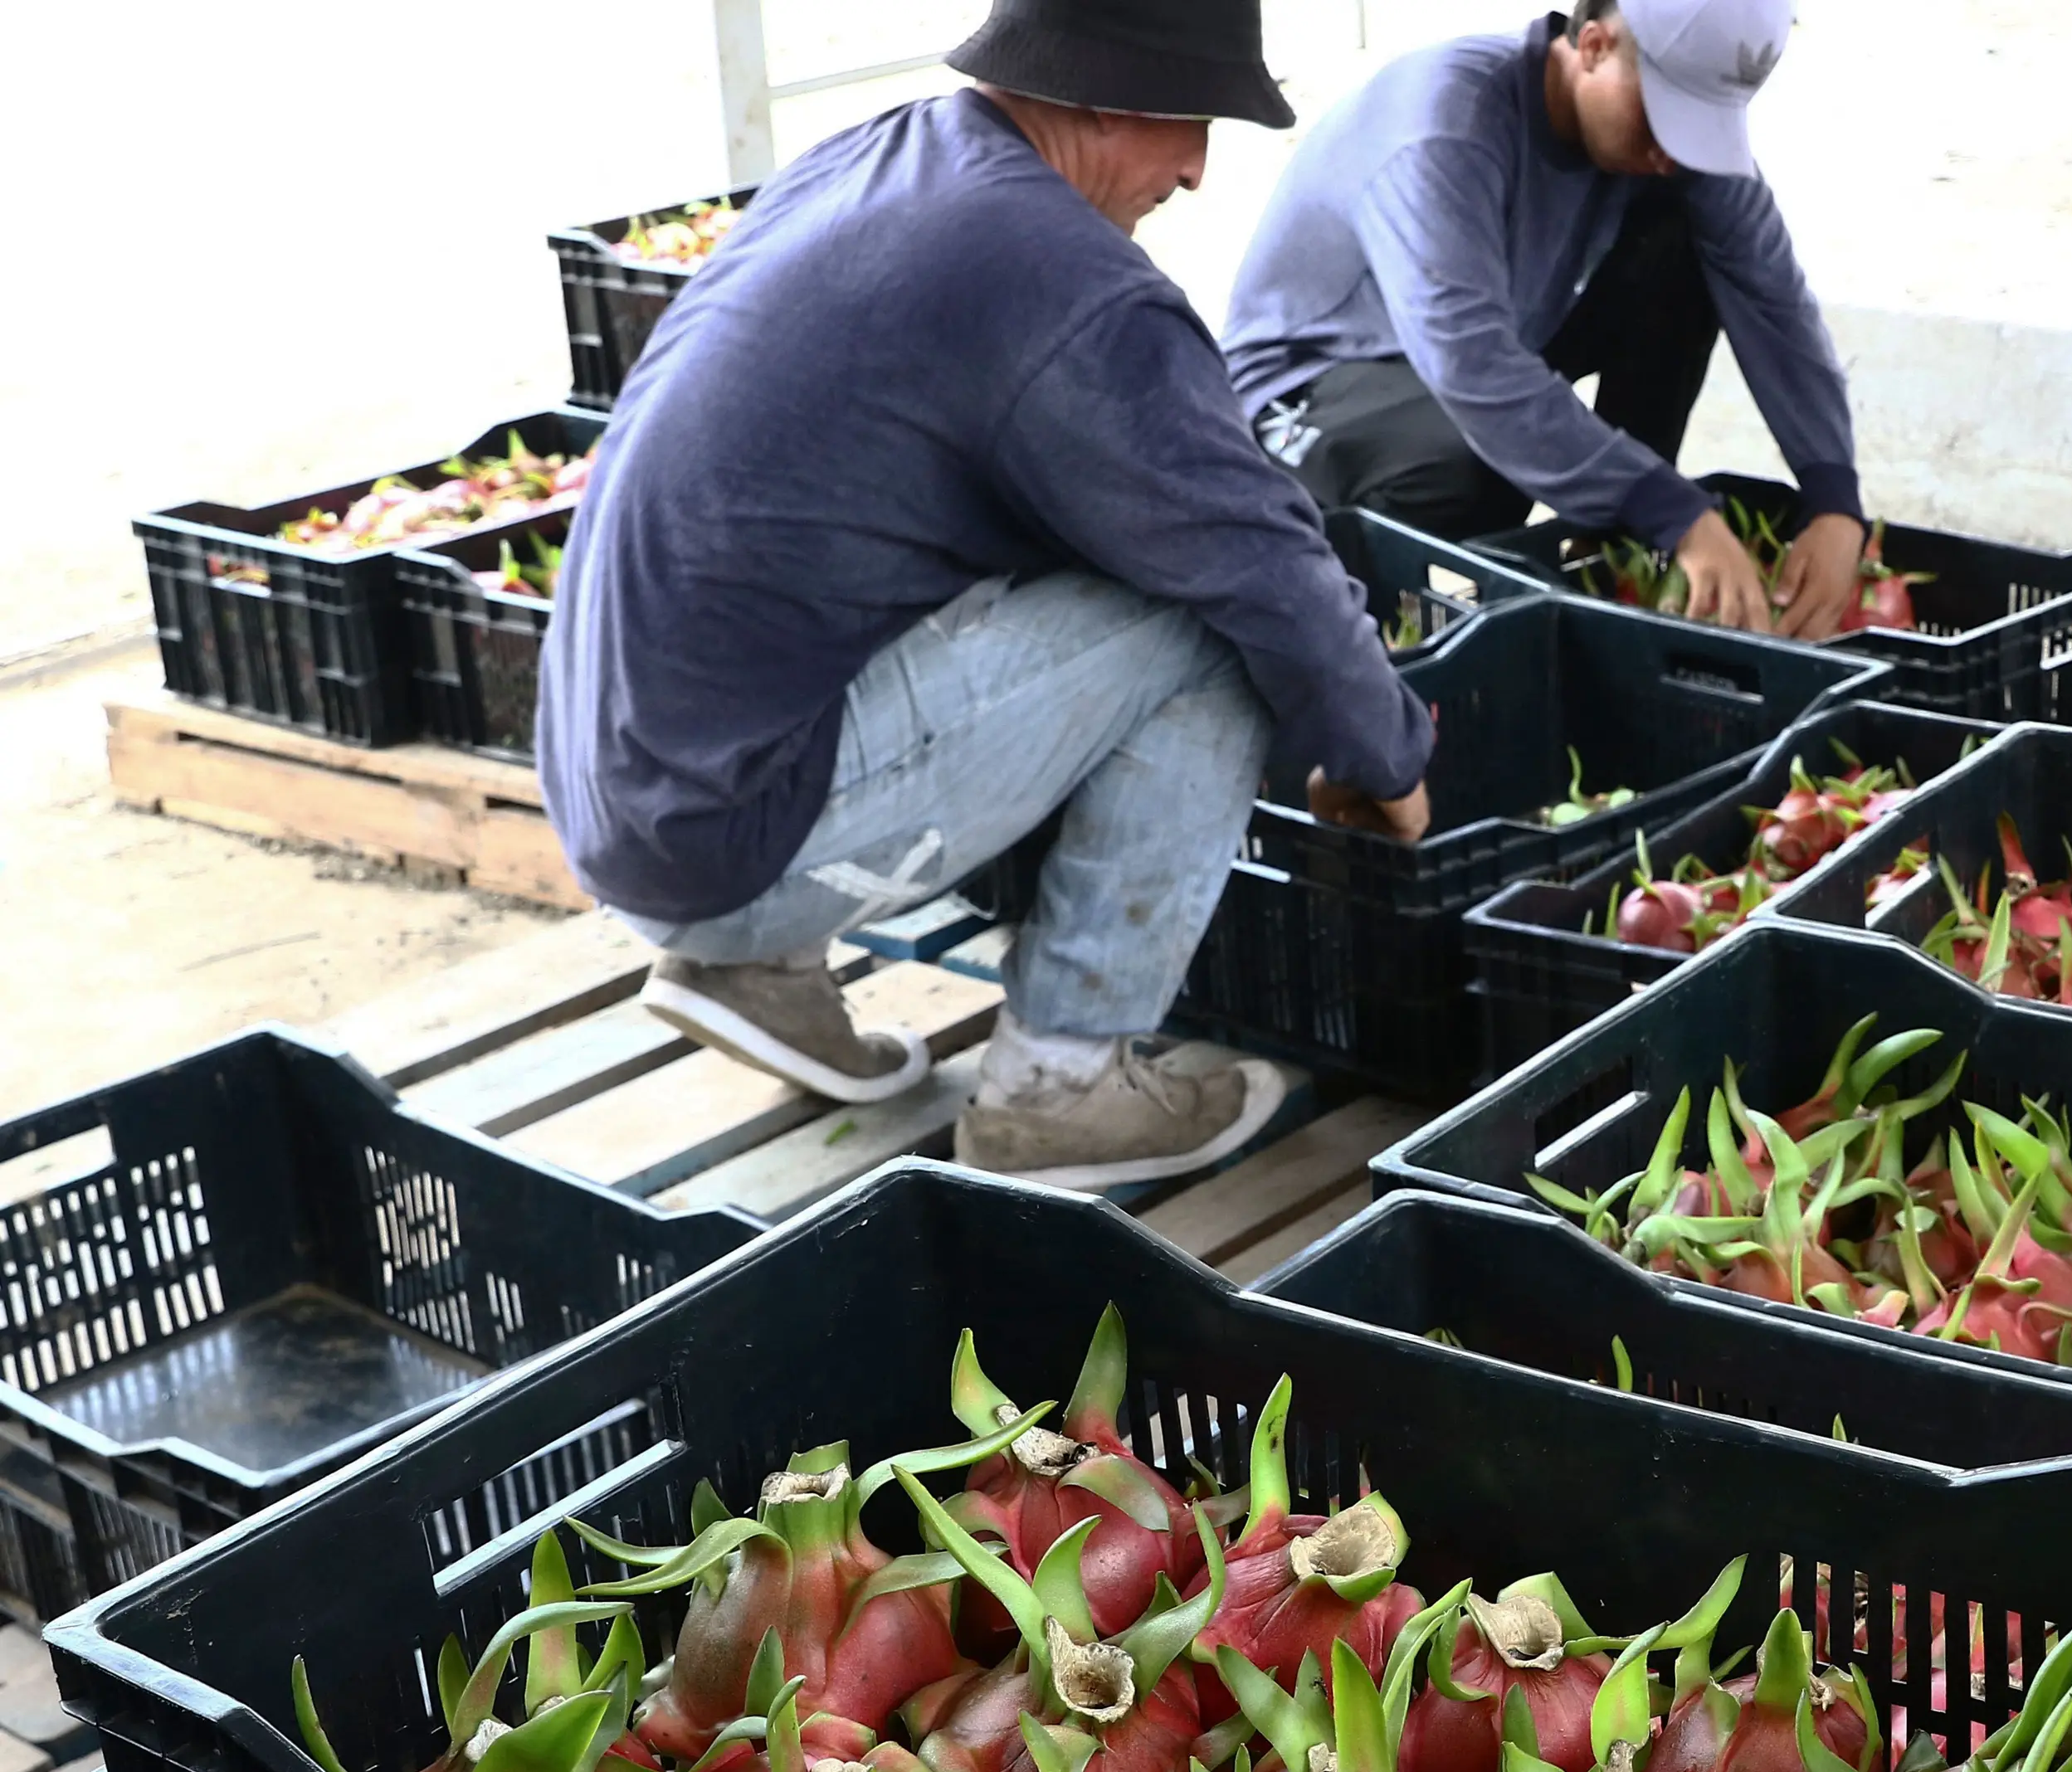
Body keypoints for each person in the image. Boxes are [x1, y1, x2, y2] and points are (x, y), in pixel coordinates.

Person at [537, 0, 1433, 1191]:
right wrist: (1388, 754)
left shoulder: (881, 158)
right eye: (1192, 123)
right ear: (1106, 92)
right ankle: (1060, 1084)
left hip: (626, 802)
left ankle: (758, 970)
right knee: (1216, 619)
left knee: (1091, 533)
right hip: (732, 831)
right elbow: (1265, 557)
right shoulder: (1063, 284)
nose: (1200, 171)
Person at [1221, 0, 1867, 640]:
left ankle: (1610, 552)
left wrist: (1834, 498)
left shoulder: (1662, 145)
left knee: (1687, 249)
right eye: (1666, 119)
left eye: (1703, 126)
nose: (1674, 152)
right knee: (1470, 459)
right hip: (1309, 394)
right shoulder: (1444, 126)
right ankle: (1370, 648)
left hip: (1482, 354)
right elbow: (1471, 366)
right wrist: (1678, 512)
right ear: (1593, 46)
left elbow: (1772, 297)